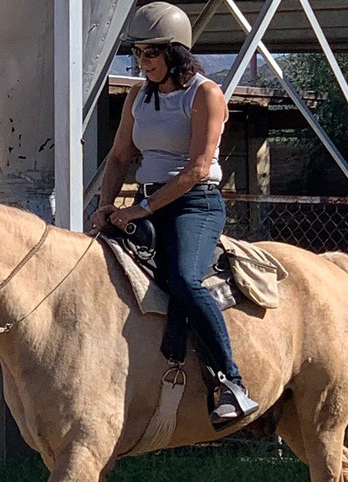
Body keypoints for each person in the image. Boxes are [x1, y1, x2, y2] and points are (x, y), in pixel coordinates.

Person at [91, 1, 258, 428]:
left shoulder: (205, 93)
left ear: (175, 53)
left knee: (185, 278)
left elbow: (199, 167)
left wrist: (142, 208)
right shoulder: (137, 95)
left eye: (150, 52)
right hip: (146, 203)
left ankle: (231, 383)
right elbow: (119, 156)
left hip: (194, 204)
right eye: (137, 52)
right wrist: (104, 206)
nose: (142, 61)